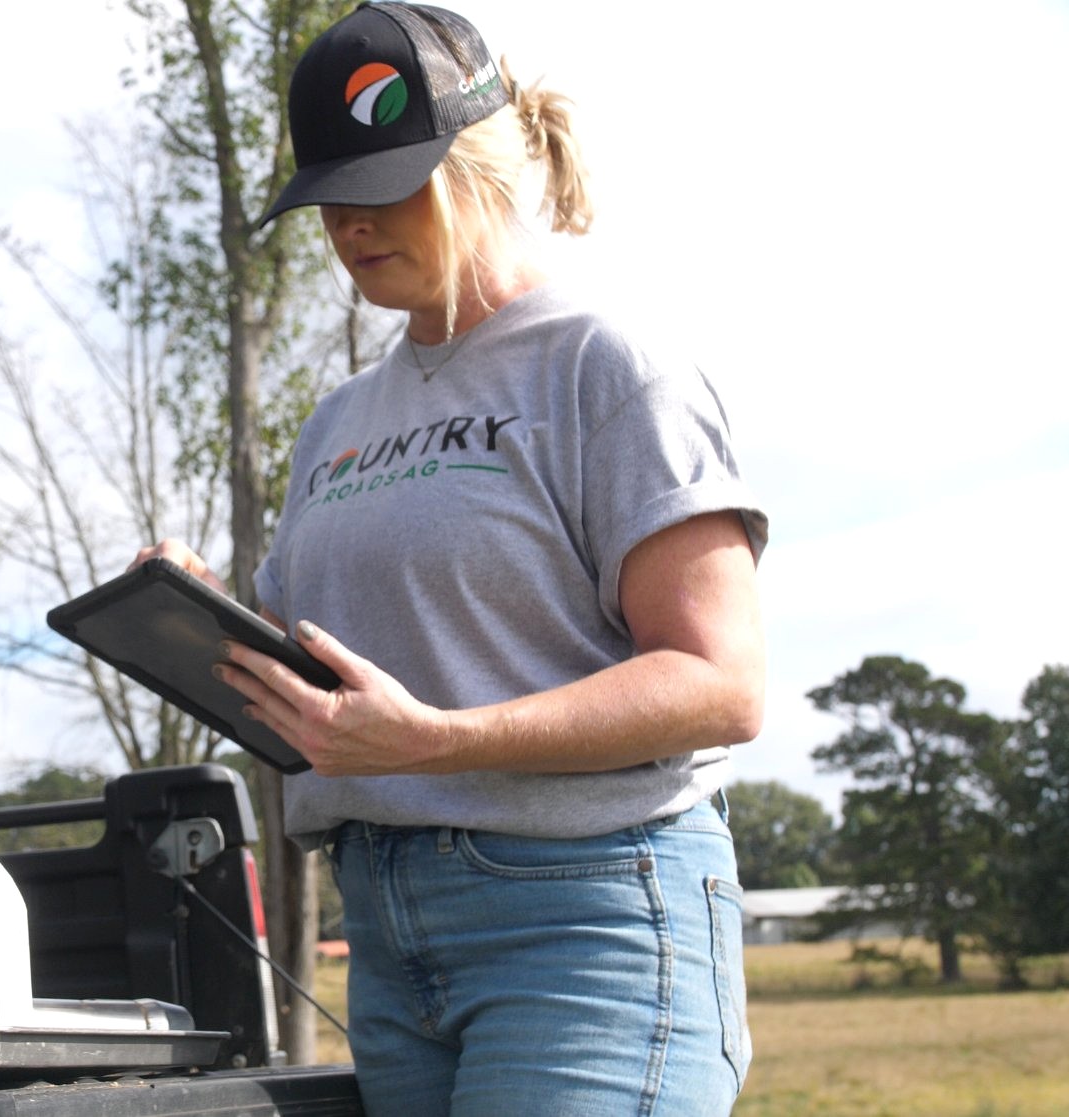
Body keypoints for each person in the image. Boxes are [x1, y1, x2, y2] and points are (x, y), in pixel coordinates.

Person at [132, 4, 767, 1114]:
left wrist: (438, 742)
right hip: (382, 932)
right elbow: (324, 688)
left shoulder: (605, 367)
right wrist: (196, 619)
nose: (344, 226)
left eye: (378, 189)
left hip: (580, 925)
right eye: (326, 199)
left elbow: (720, 683)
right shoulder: (337, 423)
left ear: (474, 163)